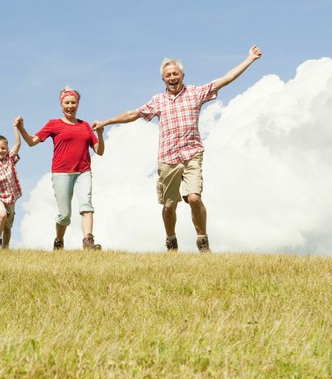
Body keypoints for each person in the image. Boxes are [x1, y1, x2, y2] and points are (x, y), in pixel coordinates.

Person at [93, 45, 263, 253]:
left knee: (194, 197)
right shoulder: (158, 101)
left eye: (175, 73)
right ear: (163, 79)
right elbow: (134, 114)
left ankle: (202, 241)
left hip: (192, 154)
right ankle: (171, 240)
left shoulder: (195, 93)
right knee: (169, 205)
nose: (172, 77)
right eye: (168, 75)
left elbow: (226, 79)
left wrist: (249, 59)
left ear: (182, 75)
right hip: (168, 158)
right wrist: (107, 121)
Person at [16, 87, 105, 251]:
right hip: (61, 173)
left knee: (86, 206)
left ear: (78, 104)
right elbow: (31, 141)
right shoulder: (53, 124)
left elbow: (99, 151)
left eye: (73, 102)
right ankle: (59, 240)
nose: (70, 106)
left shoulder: (85, 125)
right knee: (64, 215)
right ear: (61, 104)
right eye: (67, 102)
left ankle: (88, 241)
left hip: (83, 172)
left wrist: (100, 133)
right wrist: (21, 128)